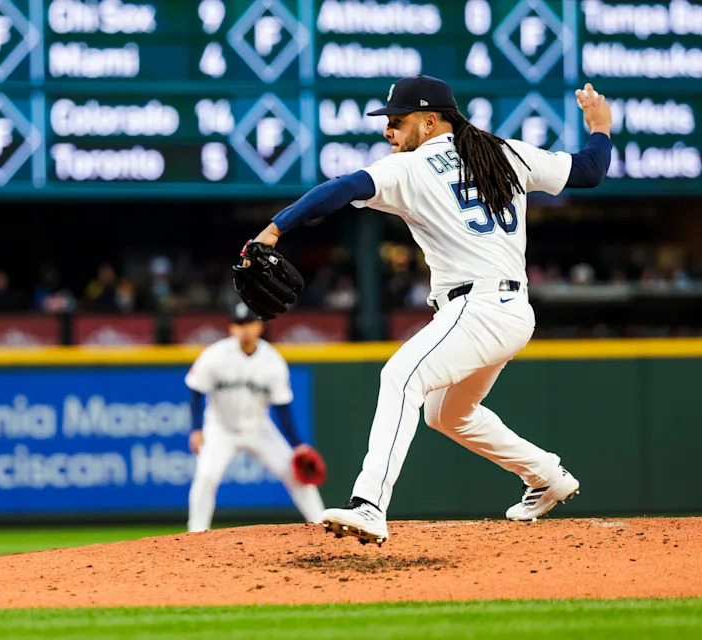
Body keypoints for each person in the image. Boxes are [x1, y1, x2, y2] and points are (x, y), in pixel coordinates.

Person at [244, 76, 613, 544]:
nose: (389, 131)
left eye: (397, 121)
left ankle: (370, 504)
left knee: (401, 377)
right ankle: (546, 476)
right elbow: (589, 171)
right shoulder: (503, 151)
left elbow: (339, 189)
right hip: (510, 309)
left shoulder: (412, 168)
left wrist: (274, 229)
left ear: (431, 120)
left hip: (478, 307)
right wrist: (600, 127)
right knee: (447, 413)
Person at [184, 303, 325, 532]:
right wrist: (196, 429)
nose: (244, 330)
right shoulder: (214, 355)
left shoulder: (272, 360)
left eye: (248, 323)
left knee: (294, 472)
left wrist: (297, 445)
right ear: (231, 328)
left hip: (258, 427)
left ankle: (322, 524)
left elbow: (282, 408)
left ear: (259, 326)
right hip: (220, 427)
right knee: (207, 475)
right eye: (239, 324)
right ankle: (195, 532)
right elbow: (196, 391)